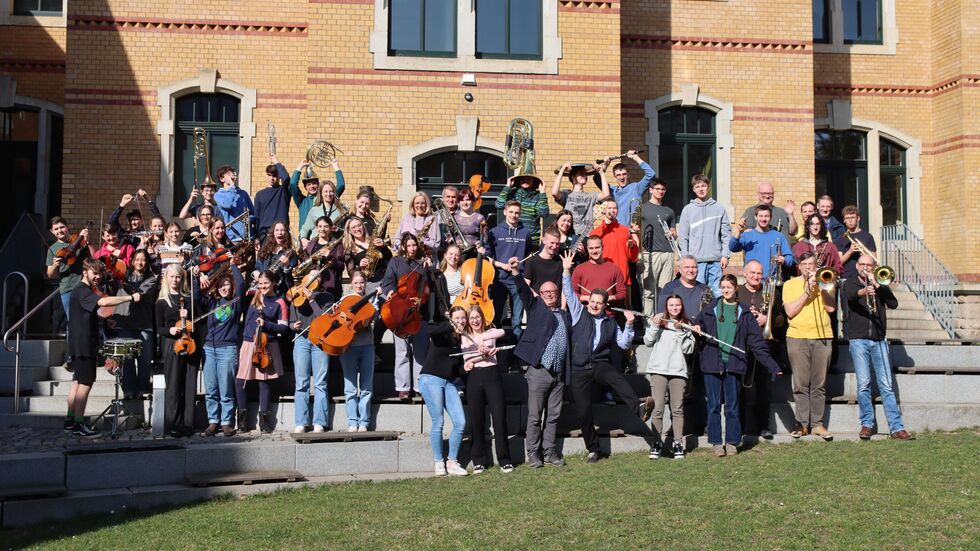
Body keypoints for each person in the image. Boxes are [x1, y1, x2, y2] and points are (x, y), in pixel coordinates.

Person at [560, 250, 648, 464]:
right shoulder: (578, 313)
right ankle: (593, 449)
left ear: (604, 305)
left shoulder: (610, 323)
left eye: (599, 302)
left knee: (616, 377)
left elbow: (624, 344)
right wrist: (566, 271)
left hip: (599, 364)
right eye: (592, 301)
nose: (594, 305)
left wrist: (629, 325)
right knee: (583, 411)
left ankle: (639, 408)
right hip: (579, 368)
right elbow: (569, 293)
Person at [694, 274, 782, 457]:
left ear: (736, 289)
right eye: (723, 287)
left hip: (734, 364)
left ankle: (732, 442)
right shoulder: (710, 309)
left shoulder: (745, 312)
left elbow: (757, 344)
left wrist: (772, 365)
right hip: (711, 364)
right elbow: (698, 326)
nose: (725, 290)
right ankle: (716, 442)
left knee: (732, 406)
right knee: (713, 406)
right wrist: (697, 329)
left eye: (729, 287)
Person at [65, 259, 140, 436]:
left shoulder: (80, 291)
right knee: (85, 384)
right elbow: (104, 303)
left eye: (100, 273)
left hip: (78, 344)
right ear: (85, 272)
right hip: (84, 345)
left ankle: (70, 420)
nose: (98, 277)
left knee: (77, 383)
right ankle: (78, 424)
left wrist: (104, 320)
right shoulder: (83, 291)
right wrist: (130, 297)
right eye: (94, 273)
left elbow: (84, 314)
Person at [844, 255, 914, 441]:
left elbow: (893, 304)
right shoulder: (850, 283)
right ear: (857, 266)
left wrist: (878, 285)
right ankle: (867, 424)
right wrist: (863, 291)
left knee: (886, 385)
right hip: (858, 340)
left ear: (874, 267)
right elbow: (850, 296)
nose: (865, 267)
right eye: (862, 264)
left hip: (879, 340)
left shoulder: (880, 284)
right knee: (864, 383)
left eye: (869, 265)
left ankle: (897, 427)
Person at [512, 263, 571, 468]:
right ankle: (533, 454)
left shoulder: (564, 314)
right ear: (540, 294)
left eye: (552, 292)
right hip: (539, 371)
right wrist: (516, 273)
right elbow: (523, 290)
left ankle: (550, 451)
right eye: (544, 292)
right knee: (535, 416)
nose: (548, 294)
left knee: (553, 416)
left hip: (559, 372)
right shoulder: (536, 307)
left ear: (557, 293)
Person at [783, 252, 836, 440]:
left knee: (819, 384)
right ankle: (802, 424)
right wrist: (807, 291)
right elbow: (790, 312)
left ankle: (818, 424)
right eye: (804, 264)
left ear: (816, 266)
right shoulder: (790, 284)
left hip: (822, 336)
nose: (808, 267)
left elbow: (831, 308)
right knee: (800, 383)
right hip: (797, 337)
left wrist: (821, 286)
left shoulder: (827, 281)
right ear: (799, 266)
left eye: (811, 264)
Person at [460, 306, 514, 474]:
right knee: (477, 421)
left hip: (493, 375)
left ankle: (504, 459)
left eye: (477, 317)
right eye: (472, 318)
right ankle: (478, 461)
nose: (475, 321)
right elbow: (467, 359)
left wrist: (485, 342)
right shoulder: (464, 337)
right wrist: (480, 356)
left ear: (482, 318)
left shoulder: (490, 332)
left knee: (499, 418)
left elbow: (502, 333)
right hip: (474, 377)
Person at [418, 306, 469, 476]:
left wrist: (466, 367)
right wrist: (449, 325)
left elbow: (456, 370)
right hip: (431, 379)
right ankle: (439, 461)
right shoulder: (442, 332)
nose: (461, 321)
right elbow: (428, 331)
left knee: (460, 422)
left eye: (463, 318)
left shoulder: (461, 341)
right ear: (451, 318)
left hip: (449, 383)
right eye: (457, 317)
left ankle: (452, 461)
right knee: (438, 421)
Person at [641, 295, 694, 459]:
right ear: (666, 306)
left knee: (677, 409)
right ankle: (656, 443)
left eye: (677, 305)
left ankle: (678, 443)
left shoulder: (687, 324)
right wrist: (654, 326)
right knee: (657, 408)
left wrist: (680, 331)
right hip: (658, 370)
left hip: (678, 372)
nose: (674, 308)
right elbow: (647, 341)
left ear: (681, 306)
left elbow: (689, 349)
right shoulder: (659, 320)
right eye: (671, 305)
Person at [737, 260, 785, 439]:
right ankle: (743, 426)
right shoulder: (737, 292)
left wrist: (767, 318)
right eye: (752, 273)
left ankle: (764, 426)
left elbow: (781, 319)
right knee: (743, 389)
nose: (756, 277)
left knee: (764, 389)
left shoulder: (772, 292)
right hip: (742, 347)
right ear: (744, 273)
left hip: (765, 346)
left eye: (759, 273)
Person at [237, 270, 289, 433]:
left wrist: (266, 324)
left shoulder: (280, 302)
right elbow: (239, 289)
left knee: (264, 382)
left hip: (267, 345)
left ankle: (264, 421)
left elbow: (283, 328)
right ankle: (243, 420)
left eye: (266, 283)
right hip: (249, 342)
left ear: (273, 283)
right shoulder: (254, 297)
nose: (263, 286)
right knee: (240, 381)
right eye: (260, 283)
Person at [381, 233, 432, 400]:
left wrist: (429, 268)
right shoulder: (396, 262)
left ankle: (419, 385)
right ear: (403, 246)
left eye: (414, 245)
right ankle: (403, 388)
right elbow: (387, 282)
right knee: (402, 352)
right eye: (409, 245)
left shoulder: (422, 263)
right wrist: (390, 292)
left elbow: (428, 288)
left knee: (420, 352)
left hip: (419, 313)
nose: (412, 248)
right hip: (400, 313)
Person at [194, 267, 244, 437]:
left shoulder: (236, 302)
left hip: (227, 349)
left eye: (227, 285)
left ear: (232, 286)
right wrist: (196, 278)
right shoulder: (212, 303)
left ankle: (227, 422)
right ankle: (213, 421)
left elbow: (241, 284)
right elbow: (196, 297)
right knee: (211, 388)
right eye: (221, 285)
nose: (224, 288)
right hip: (209, 349)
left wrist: (234, 266)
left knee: (226, 388)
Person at [156, 264, 199, 437]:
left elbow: (197, 321)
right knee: (173, 385)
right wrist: (170, 330)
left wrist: (189, 315)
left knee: (189, 384)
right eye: (172, 276)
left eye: (178, 277)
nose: (175, 280)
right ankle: (174, 423)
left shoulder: (189, 299)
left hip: (190, 343)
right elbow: (159, 328)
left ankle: (188, 424)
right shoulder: (161, 301)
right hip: (172, 344)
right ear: (166, 278)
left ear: (182, 279)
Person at [289, 270, 334, 434]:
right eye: (311, 275)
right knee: (301, 383)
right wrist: (292, 326)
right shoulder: (296, 294)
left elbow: (324, 318)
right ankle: (301, 422)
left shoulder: (327, 296)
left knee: (320, 383)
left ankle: (319, 422)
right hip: (301, 340)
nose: (314, 278)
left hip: (319, 340)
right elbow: (291, 320)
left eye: (317, 276)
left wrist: (312, 300)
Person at [112, 250, 158, 399]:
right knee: (127, 359)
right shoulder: (123, 275)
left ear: (147, 262)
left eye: (143, 260)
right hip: (125, 322)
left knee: (145, 359)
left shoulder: (151, 279)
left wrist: (123, 282)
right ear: (132, 261)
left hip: (144, 324)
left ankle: (143, 388)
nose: (140, 262)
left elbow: (138, 294)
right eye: (137, 259)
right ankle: (129, 390)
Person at [677, 174, 730, 297]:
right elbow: (683, 237)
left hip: (716, 261)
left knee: (717, 294)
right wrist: (685, 259)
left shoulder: (719, 208)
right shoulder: (688, 210)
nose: (701, 189)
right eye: (697, 186)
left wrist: (725, 255)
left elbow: (726, 235)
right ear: (693, 189)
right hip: (696, 262)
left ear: (708, 187)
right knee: (697, 295)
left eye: (703, 186)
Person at [486, 201, 534, 336]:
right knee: (496, 315)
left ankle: (516, 345)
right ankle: (496, 344)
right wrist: (503, 265)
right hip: (499, 279)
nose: (514, 215)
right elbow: (487, 257)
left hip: (518, 280)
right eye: (511, 212)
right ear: (505, 212)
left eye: (517, 213)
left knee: (517, 319)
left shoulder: (526, 233)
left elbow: (528, 254)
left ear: (520, 214)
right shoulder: (494, 232)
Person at [339, 271, 377, 432]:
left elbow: (374, 317)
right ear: (351, 284)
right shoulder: (345, 300)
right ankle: (352, 421)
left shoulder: (371, 299)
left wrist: (373, 304)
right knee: (350, 388)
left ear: (365, 283)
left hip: (367, 344)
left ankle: (364, 421)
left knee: (366, 387)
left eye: (362, 282)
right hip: (348, 346)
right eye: (356, 283)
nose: (359, 286)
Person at [590, 201, 640, 306]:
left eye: (615, 208)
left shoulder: (625, 231)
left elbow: (633, 258)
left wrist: (632, 246)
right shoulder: (596, 232)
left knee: (625, 313)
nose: (612, 210)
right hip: (602, 279)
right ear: (604, 210)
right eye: (609, 208)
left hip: (623, 280)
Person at [639, 178, 678, 315]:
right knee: (648, 292)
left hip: (668, 253)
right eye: (657, 189)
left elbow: (674, 232)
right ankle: (648, 321)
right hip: (650, 253)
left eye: (663, 189)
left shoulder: (669, 211)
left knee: (665, 291)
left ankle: (663, 319)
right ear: (651, 190)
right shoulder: (642, 209)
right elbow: (634, 229)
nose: (660, 191)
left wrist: (672, 233)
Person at [46, 217, 89, 331]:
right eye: (56, 229)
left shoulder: (79, 240)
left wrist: (86, 240)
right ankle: (73, 343)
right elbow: (50, 274)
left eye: (62, 227)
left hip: (85, 286)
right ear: (52, 231)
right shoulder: (52, 249)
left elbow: (91, 259)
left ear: (67, 227)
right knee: (72, 322)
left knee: (87, 320)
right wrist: (55, 265)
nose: (59, 230)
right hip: (68, 288)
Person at [730, 204, 795, 277]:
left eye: (766, 216)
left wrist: (784, 260)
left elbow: (790, 259)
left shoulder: (779, 236)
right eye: (761, 216)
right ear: (755, 217)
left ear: (771, 218)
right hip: (752, 278)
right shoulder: (747, 235)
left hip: (772, 279)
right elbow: (733, 248)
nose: (763, 219)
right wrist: (738, 232)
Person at [288, 159, 345, 238]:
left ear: (318, 184)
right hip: (306, 240)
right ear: (305, 187)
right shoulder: (302, 201)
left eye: (314, 183)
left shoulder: (327, 197)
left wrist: (335, 166)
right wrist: (300, 166)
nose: (312, 186)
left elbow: (341, 185)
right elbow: (292, 184)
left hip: (324, 238)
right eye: (309, 184)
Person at [551, 162, 610, 237]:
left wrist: (601, 173)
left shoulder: (590, 196)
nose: (584, 176)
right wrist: (562, 170)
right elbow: (554, 193)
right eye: (581, 174)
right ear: (573, 177)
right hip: (570, 235)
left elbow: (606, 194)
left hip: (586, 236)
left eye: (585, 174)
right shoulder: (567, 195)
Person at [572, 236, 626, 310]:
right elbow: (572, 293)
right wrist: (588, 298)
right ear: (587, 249)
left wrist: (609, 298)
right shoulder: (579, 269)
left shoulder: (614, 269)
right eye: (591, 248)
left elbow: (622, 293)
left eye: (597, 247)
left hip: (608, 313)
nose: (594, 251)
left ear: (602, 247)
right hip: (586, 313)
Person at [495, 172, 549, 246]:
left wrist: (542, 193)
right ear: (519, 180)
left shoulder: (538, 196)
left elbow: (544, 214)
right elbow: (499, 205)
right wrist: (507, 187)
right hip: (512, 238)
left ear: (533, 180)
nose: (525, 180)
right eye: (523, 178)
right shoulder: (513, 193)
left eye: (528, 178)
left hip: (531, 240)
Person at [302, 216, 345, 307]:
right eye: (320, 226)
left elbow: (341, 266)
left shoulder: (337, 245)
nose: (322, 229)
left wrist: (329, 256)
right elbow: (305, 264)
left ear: (330, 228)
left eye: (325, 226)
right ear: (316, 228)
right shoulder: (311, 245)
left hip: (330, 287)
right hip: (312, 286)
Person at [344, 216, 390, 295]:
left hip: (385, 279)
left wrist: (383, 246)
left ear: (363, 226)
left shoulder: (373, 240)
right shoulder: (350, 249)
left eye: (359, 225)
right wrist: (359, 266)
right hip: (369, 284)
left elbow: (389, 257)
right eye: (353, 227)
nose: (357, 229)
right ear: (349, 231)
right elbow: (351, 273)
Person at [606, 151, 655, 225]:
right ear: (614, 177)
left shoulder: (636, 188)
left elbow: (651, 174)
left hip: (631, 230)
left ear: (628, 175)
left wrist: (636, 157)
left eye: (624, 174)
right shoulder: (612, 190)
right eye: (618, 175)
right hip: (615, 229)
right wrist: (606, 165)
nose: (622, 177)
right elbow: (597, 179)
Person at [657, 255, 712, 319]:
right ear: (680, 270)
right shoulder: (669, 288)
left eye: (694, 267)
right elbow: (662, 314)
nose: (691, 270)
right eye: (687, 267)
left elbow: (710, 316)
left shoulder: (705, 289)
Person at [254, 220, 298, 297]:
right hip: (262, 288)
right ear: (273, 233)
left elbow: (291, 278)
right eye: (277, 230)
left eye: (282, 230)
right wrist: (256, 272)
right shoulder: (265, 249)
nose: (279, 233)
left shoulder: (291, 253)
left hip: (280, 291)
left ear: (286, 233)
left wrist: (287, 266)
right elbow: (258, 266)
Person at [253, 155, 292, 241]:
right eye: (269, 175)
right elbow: (256, 218)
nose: (272, 178)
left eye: (274, 175)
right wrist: (256, 238)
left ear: (279, 176)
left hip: (281, 233)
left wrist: (276, 162)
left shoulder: (284, 191)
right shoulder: (260, 194)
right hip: (264, 235)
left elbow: (286, 178)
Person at [213, 165, 256, 243]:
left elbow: (253, 212)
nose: (232, 174)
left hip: (248, 237)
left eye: (232, 172)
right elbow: (227, 204)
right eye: (228, 174)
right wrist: (232, 187)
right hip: (232, 238)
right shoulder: (218, 195)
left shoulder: (243, 193)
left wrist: (249, 219)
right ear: (222, 179)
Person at [834, 205, 876, 280]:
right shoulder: (840, 239)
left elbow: (874, 259)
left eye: (853, 217)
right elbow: (838, 263)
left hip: (864, 277)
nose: (850, 220)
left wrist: (864, 255)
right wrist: (850, 251)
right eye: (847, 218)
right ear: (844, 220)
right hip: (846, 277)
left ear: (858, 218)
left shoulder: (868, 236)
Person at [299, 180, 345, 247]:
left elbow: (347, 231)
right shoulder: (314, 210)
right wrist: (303, 239)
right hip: (315, 246)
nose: (328, 194)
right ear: (321, 193)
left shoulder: (341, 210)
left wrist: (338, 230)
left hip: (334, 247)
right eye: (326, 191)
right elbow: (305, 228)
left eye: (331, 191)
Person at [523, 227, 563, 294]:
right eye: (552, 243)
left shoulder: (561, 262)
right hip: (537, 298)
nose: (554, 246)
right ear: (544, 240)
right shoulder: (532, 261)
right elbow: (526, 285)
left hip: (556, 299)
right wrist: (538, 298)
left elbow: (564, 286)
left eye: (557, 244)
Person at [453, 188, 485, 253]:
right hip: (457, 253)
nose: (465, 203)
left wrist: (481, 243)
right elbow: (449, 236)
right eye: (462, 200)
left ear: (473, 201)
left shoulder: (480, 218)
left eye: (468, 200)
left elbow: (485, 237)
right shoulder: (454, 218)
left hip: (474, 252)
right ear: (458, 203)